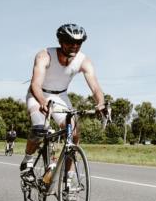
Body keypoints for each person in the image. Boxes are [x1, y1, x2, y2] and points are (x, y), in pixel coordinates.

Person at [20, 24, 108, 175]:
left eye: (78, 43)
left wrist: (100, 102)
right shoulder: (45, 55)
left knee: (73, 133)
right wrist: (42, 101)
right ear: (60, 41)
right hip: (38, 94)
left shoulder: (83, 61)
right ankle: (28, 158)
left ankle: (69, 179)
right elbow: (35, 84)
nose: (74, 46)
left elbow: (95, 87)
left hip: (60, 96)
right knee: (40, 128)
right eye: (69, 41)